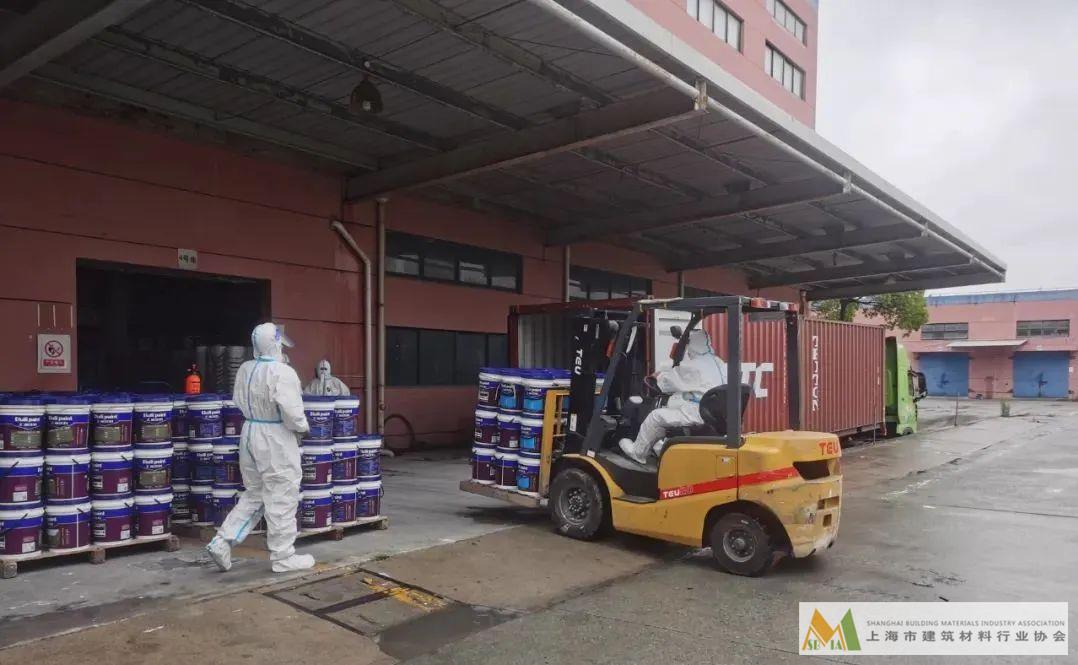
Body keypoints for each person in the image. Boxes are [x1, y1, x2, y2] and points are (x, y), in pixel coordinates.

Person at [206, 322, 315, 573]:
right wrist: (302, 428)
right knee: (282, 494)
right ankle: (283, 556)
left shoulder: (245, 368)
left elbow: (238, 399)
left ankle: (222, 541)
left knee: (255, 493)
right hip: (275, 437)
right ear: (275, 344)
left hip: (250, 432)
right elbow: (292, 412)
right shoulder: (283, 372)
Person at [618, 328, 727, 464]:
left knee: (655, 416)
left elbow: (668, 382)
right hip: (715, 414)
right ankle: (662, 448)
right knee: (668, 411)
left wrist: (658, 377)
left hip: (697, 414)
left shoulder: (693, 366)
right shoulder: (719, 363)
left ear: (692, 345)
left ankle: (638, 452)